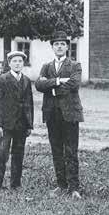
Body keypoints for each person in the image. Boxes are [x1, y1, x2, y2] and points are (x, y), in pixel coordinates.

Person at [35, 32, 84, 198]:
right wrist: (57, 81)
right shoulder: (46, 66)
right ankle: (61, 185)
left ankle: (74, 187)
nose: (59, 47)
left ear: (67, 47)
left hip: (70, 113)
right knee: (56, 150)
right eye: (56, 44)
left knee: (71, 150)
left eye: (62, 44)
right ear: (52, 47)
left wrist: (52, 89)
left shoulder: (75, 65)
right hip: (51, 113)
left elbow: (74, 84)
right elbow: (39, 85)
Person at [0, 50, 34, 192]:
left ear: (23, 63)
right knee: (2, 153)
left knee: (18, 154)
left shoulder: (26, 80)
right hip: (6, 125)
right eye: (14, 61)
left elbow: (29, 104)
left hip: (21, 125)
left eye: (20, 61)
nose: (17, 63)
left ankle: (15, 185)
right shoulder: (3, 79)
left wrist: (29, 125)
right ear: (9, 63)